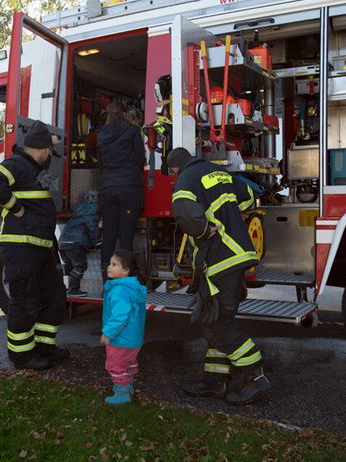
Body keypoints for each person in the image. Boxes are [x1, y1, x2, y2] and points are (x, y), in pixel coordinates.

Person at [165, 147, 270, 406]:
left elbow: (184, 213)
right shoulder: (218, 173)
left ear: (174, 169)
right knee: (213, 319)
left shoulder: (186, 179)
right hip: (236, 257)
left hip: (220, 259)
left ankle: (253, 375)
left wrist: (202, 230)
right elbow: (247, 198)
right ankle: (214, 381)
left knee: (218, 325)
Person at [0, 120, 69, 370]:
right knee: (25, 301)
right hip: (21, 248)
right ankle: (21, 356)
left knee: (54, 297)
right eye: (49, 152)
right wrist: (15, 207)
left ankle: (44, 348)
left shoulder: (31, 169)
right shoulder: (15, 165)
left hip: (40, 248)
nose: (50, 156)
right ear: (41, 150)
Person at [97, 101, 146, 282]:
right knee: (126, 236)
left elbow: (100, 163)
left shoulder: (101, 134)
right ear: (124, 113)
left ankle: (106, 280)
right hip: (129, 188)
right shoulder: (132, 131)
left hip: (107, 188)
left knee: (109, 234)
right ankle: (125, 280)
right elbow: (141, 160)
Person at [100, 249, 147, 405]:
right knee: (129, 363)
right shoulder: (132, 287)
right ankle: (128, 387)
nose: (109, 267)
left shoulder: (119, 290)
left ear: (125, 271)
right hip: (133, 339)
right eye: (109, 263)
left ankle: (121, 395)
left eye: (114, 265)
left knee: (116, 365)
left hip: (120, 339)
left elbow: (119, 316)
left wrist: (107, 333)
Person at [59, 190, 102, 297]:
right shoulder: (92, 211)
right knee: (80, 266)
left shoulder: (78, 210)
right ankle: (74, 290)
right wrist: (97, 242)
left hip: (64, 242)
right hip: (75, 243)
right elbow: (93, 228)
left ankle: (53, 273)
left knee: (69, 267)